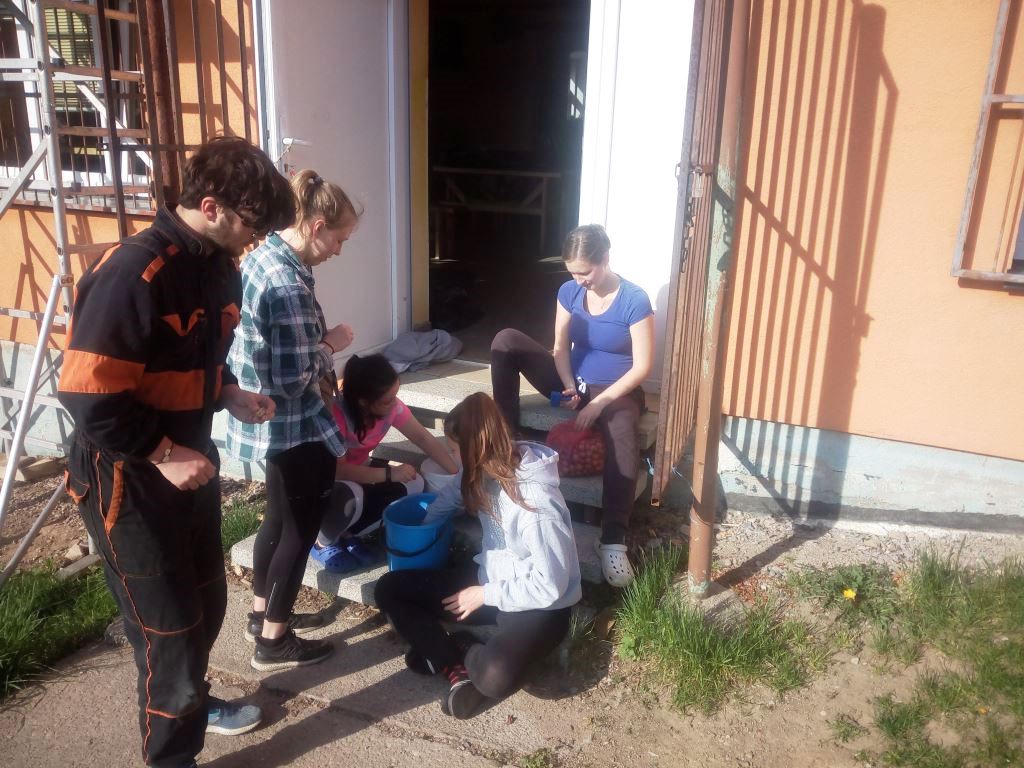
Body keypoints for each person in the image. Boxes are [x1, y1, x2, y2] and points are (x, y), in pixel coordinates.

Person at [57, 136, 294, 768]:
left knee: (206, 606)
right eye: (251, 226)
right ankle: (172, 755)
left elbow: (198, 356)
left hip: (189, 461)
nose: (256, 241)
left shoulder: (220, 266)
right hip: (127, 474)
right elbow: (86, 395)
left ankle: (191, 702)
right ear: (210, 206)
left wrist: (230, 392)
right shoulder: (133, 272)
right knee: (169, 632)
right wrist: (163, 453)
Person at [374, 392, 581, 720]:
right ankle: (450, 664)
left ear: (476, 450)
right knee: (389, 588)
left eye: (455, 450)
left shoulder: (538, 505)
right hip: (490, 582)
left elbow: (551, 585)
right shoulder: (478, 470)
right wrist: (421, 531)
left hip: (540, 605)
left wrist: (484, 594)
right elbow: (448, 499)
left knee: (496, 675)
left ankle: (460, 649)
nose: (453, 458)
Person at [225, 169, 360, 672]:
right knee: (300, 531)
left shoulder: (263, 256)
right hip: (295, 424)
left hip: (269, 422)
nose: (339, 251)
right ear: (317, 226)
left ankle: (262, 615)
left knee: (278, 519)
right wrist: (330, 344)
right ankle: (274, 642)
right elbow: (292, 377)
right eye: (339, 240)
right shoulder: (288, 284)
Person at [490, 224, 654, 588]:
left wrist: (599, 403)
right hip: (574, 381)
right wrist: (567, 385)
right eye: (573, 273)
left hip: (617, 390)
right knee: (506, 341)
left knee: (622, 427)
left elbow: (643, 367)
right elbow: (560, 346)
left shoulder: (634, 300)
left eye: (585, 272)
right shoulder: (569, 291)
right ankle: (509, 442)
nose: (579, 280)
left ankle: (613, 539)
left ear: (605, 258)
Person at [311, 353, 459, 572]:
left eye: (396, 394)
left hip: (360, 469)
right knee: (352, 495)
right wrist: (389, 474)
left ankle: (348, 533)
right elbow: (339, 471)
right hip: (328, 482)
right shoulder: (337, 416)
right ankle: (322, 542)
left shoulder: (392, 408)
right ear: (363, 402)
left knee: (415, 482)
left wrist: (456, 473)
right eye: (388, 399)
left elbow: (423, 438)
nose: (395, 402)